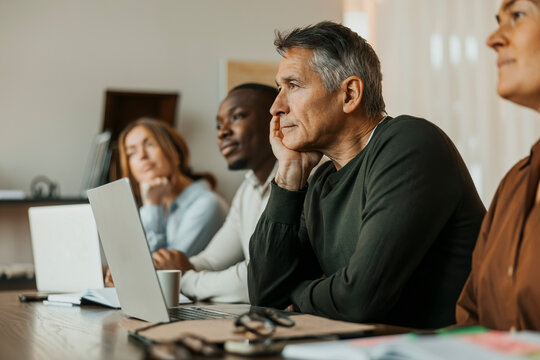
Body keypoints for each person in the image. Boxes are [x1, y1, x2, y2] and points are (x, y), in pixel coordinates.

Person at [247, 21, 486, 329]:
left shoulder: (409, 143)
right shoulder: (320, 181)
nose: (276, 107)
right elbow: (264, 296)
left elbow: (360, 298)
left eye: (292, 86)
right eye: (280, 88)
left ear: (349, 94)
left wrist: (292, 293)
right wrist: (290, 175)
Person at [151, 83, 278, 302]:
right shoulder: (247, 189)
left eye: (237, 117)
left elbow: (255, 280)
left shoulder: (305, 180)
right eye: (218, 126)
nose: (223, 132)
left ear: (275, 119)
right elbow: (211, 261)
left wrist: (184, 278)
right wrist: (165, 268)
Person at [456, 0, 540, 331]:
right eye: (498, 20)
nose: (493, 38)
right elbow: (471, 317)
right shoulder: (514, 184)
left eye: (517, 15)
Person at [118, 118, 228, 256]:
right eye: (132, 153)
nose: (142, 156)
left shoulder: (207, 204)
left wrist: (153, 206)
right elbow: (130, 259)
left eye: (150, 144)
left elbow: (165, 270)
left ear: (176, 152)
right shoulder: (152, 206)